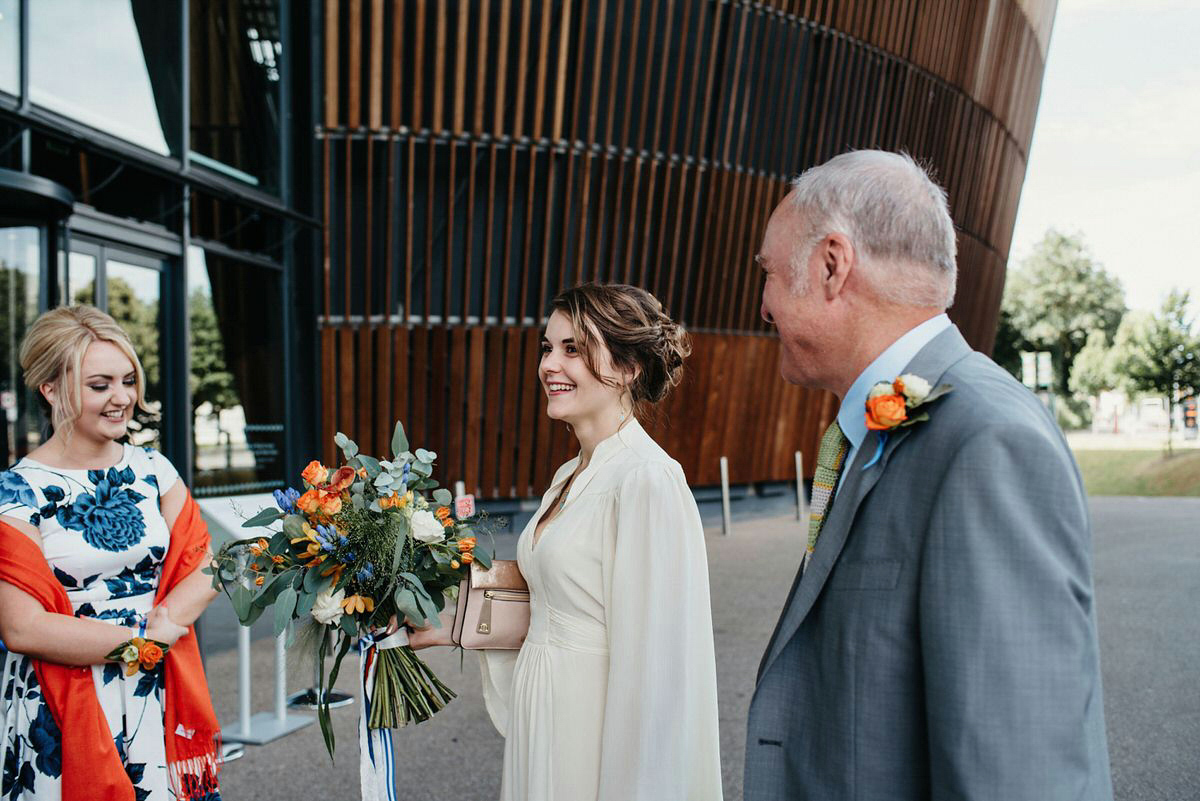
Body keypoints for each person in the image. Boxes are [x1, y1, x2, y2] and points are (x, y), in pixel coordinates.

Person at [745, 150, 1113, 800]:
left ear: (833, 265)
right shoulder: (905, 414)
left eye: (769, 274)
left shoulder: (986, 443)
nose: (764, 306)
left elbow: (1019, 775)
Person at [477, 283, 722, 801]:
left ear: (629, 368)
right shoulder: (569, 474)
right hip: (542, 713)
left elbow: (658, 673)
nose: (549, 365)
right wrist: (440, 622)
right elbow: (553, 602)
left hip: (592, 736)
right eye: (547, 347)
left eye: (573, 349)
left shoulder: (647, 480)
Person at [0, 305, 223, 801]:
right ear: (51, 389)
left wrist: (157, 636)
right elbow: (21, 627)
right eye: (99, 385)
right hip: (63, 694)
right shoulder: (17, 492)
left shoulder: (153, 469)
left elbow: (206, 565)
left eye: (128, 380)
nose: (122, 398)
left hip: (158, 686)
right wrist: (140, 640)